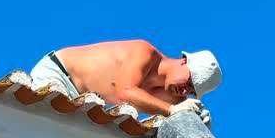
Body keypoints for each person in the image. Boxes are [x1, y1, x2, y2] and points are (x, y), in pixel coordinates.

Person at [29, 40, 222, 121]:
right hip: (58, 75)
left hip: (83, 102)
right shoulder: (144, 51)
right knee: (48, 124)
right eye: (189, 82)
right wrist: (172, 110)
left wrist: (199, 119)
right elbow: (126, 91)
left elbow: (183, 115)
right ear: (183, 61)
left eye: (191, 91)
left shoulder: (172, 98)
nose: (184, 91)